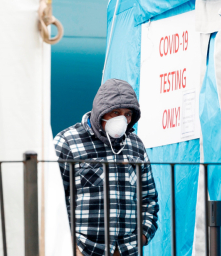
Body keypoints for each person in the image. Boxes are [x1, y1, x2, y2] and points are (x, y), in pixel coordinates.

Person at [54, 79, 159, 256]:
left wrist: (141, 238)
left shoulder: (136, 146)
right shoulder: (67, 142)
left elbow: (148, 198)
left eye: (127, 114)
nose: (122, 119)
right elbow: (52, 201)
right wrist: (72, 248)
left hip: (127, 252)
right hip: (83, 251)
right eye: (115, 112)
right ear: (100, 111)